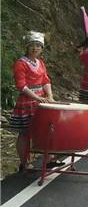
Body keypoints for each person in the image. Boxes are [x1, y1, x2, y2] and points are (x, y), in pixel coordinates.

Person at [9, 31, 57, 172]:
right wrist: (37, 97)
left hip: (40, 101)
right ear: (27, 47)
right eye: (32, 45)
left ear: (42, 48)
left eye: (38, 46)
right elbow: (21, 85)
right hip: (27, 101)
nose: (35, 48)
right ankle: (24, 163)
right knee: (24, 133)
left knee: (45, 129)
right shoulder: (21, 63)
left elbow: (45, 81)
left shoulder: (40, 63)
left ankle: (49, 159)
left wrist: (50, 96)